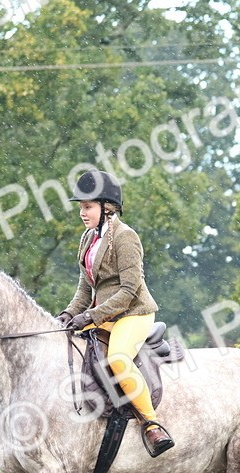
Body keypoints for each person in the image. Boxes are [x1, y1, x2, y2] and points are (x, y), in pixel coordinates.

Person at [57, 170, 175, 457]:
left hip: (132, 313)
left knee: (118, 360)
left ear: (107, 207)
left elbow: (129, 290)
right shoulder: (88, 238)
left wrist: (92, 316)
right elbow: (86, 286)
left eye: (88, 207)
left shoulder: (125, 237)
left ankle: (152, 423)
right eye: (81, 207)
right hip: (104, 314)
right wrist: (69, 313)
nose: (82, 213)